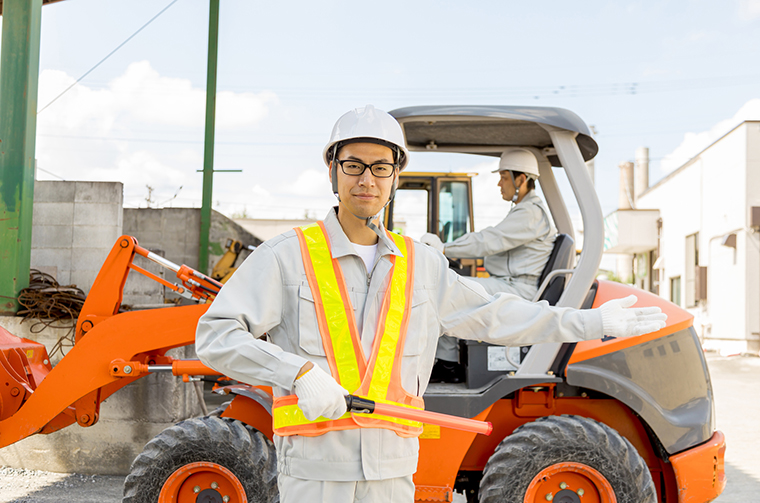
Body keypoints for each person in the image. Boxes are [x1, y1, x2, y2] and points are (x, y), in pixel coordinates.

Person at [195, 105, 667, 503]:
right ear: (333, 170)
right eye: (354, 165)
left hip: (392, 472)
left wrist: (590, 321)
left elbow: (493, 316)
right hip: (316, 475)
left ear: (396, 175)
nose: (367, 178)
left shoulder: (419, 264)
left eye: (382, 166)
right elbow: (216, 337)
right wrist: (295, 373)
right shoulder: (285, 256)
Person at [420, 148, 556, 382]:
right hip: (509, 283)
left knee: (446, 291)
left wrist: (444, 248)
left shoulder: (530, 213)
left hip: (519, 288)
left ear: (521, 179)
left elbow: (489, 240)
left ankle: (448, 365)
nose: (499, 184)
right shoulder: (524, 210)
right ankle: (447, 360)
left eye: (504, 177)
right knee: (454, 286)